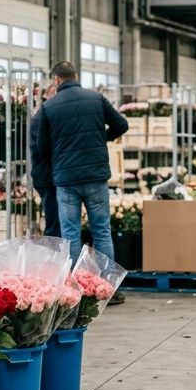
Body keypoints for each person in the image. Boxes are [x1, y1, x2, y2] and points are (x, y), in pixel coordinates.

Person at [30, 61, 128, 267]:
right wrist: (103, 138)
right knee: (101, 232)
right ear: (75, 76)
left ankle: (75, 289)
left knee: (71, 235)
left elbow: (42, 148)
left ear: (56, 80)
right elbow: (121, 124)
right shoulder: (97, 98)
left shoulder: (49, 107)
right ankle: (109, 285)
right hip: (96, 176)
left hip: (66, 180)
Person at [30, 83, 60, 238]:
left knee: (54, 220)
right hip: (46, 177)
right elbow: (44, 149)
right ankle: (53, 257)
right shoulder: (44, 116)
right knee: (53, 223)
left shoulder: (42, 115)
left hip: (45, 175)